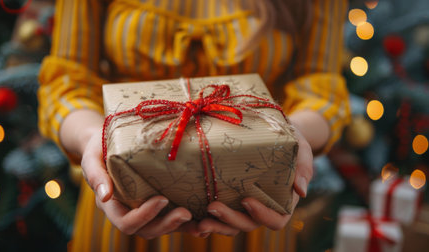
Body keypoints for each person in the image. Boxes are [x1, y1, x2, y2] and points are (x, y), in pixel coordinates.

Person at [38, 0, 350, 251]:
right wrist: (94, 137)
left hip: (255, 193)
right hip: (124, 195)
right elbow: (67, 81)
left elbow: (321, 90)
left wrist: (292, 136)